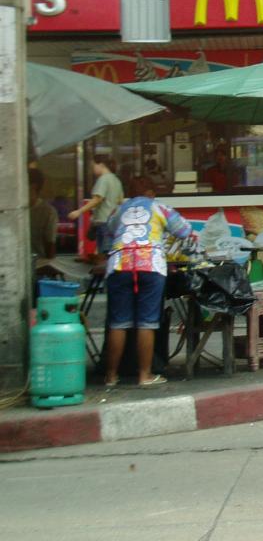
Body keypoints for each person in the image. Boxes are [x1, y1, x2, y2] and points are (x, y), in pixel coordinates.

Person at [103, 176, 195, 387]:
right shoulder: (160, 207)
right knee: (147, 321)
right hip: (150, 264)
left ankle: (110, 376)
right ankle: (145, 376)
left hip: (120, 264)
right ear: (151, 193)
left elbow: (108, 236)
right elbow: (184, 231)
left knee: (118, 323)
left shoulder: (119, 210)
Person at [68, 154, 124, 254]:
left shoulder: (103, 179)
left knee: (103, 253)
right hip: (114, 222)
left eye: (93, 166)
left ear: (101, 165)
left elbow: (97, 199)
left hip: (103, 221)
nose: (92, 169)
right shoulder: (116, 180)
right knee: (111, 252)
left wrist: (78, 212)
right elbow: (120, 201)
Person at [28, 168, 57, 260]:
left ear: (33, 187)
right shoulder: (10, 210)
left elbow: (50, 244)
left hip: (38, 265)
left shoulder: (48, 212)